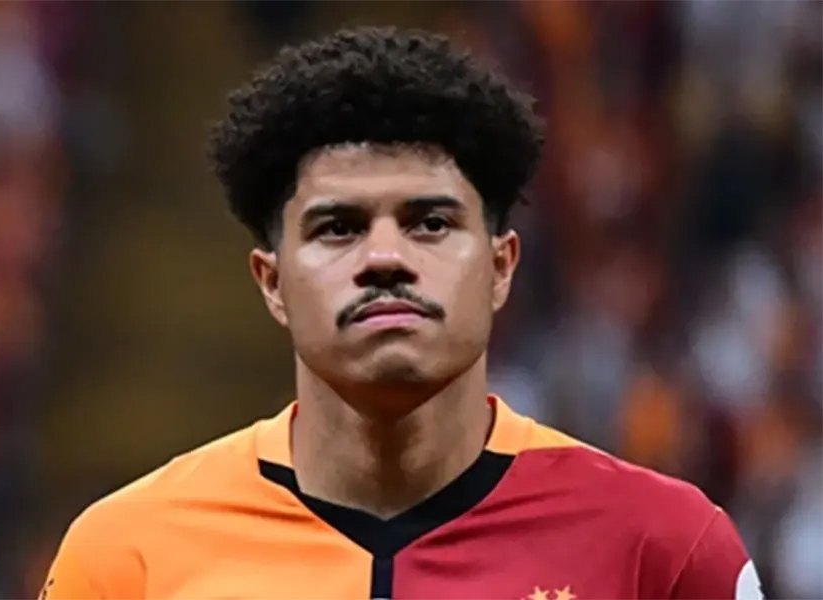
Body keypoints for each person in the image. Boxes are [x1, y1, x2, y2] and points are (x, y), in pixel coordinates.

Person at [40, 26, 763, 600]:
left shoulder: (663, 548)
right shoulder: (125, 558)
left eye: (430, 223)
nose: (385, 257)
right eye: (338, 228)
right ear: (272, 282)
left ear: (501, 267)